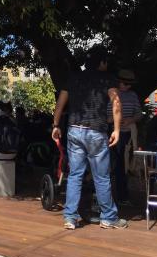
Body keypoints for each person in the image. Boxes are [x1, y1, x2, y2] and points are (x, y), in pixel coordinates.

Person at [52, 47, 128, 230]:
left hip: (74, 130)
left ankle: (70, 217)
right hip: (96, 131)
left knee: (75, 175)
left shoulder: (74, 77)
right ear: (102, 62)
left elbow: (60, 103)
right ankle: (108, 217)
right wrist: (117, 129)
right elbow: (116, 102)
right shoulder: (107, 79)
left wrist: (55, 125)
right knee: (101, 177)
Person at [107, 70, 142, 206]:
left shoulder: (133, 95)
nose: (127, 86)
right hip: (110, 132)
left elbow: (139, 114)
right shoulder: (111, 93)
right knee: (107, 164)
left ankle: (122, 196)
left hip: (126, 134)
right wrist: (112, 120)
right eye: (125, 83)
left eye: (129, 84)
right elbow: (101, 114)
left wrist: (131, 119)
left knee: (122, 165)